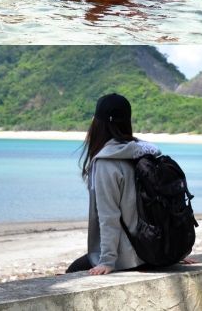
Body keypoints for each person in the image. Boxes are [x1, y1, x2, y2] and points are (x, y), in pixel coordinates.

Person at [66, 93, 160, 275]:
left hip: (132, 256)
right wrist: (174, 252)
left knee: (72, 272)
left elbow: (109, 216)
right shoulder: (149, 152)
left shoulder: (106, 162)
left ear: (98, 124)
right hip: (157, 249)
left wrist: (107, 261)